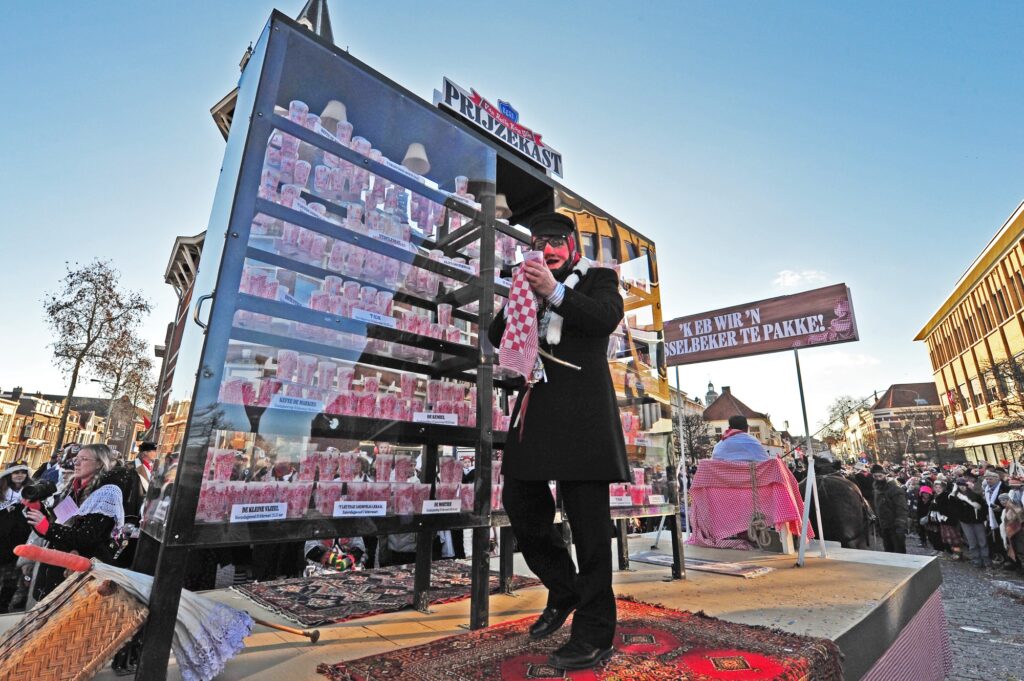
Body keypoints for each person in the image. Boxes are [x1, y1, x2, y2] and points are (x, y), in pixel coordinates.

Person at [488, 212, 628, 671]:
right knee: (520, 502)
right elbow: (496, 336)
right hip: (538, 411)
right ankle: (563, 586)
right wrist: (517, 298)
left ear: (572, 246)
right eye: (538, 241)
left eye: (555, 241)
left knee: (589, 529)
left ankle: (593, 633)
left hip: (584, 416)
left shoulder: (599, 279)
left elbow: (604, 319)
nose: (546, 249)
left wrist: (554, 290)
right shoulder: (526, 285)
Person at [23, 444, 130, 599]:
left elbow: (87, 537)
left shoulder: (107, 492)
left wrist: (48, 528)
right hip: (58, 570)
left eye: (84, 459)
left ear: (100, 463)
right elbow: (58, 525)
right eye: (76, 459)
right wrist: (36, 509)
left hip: (81, 577)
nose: (76, 463)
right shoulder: (74, 488)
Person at [950, 477, 991, 568]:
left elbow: (982, 507)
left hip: (977, 520)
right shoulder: (956, 497)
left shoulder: (974, 495)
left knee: (982, 540)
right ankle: (976, 559)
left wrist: (982, 517)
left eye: (963, 485)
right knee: (972, 541)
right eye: (960, 486)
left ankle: (986, 559)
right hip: (965, 521)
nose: (962, 487)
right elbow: (953, 507)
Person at [871, 464, 908, 553]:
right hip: (884, 525)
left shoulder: (895, 489)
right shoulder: (876, 489)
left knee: (899, 552)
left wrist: (900, 525)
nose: (878, 478)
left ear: (885, 475)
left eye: (880, 476)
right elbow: (877, 507)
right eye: (875, 476)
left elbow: (901, 508)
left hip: (895, 526)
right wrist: (877, 523)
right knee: (889, 551)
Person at [981, 469, 1009, 566]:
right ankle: (998, 555)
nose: (988, 481)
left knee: (1003, 537)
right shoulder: (987, 489)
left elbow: (1009, 502)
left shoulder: (1004, 488)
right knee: (994, 537)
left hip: (1002, 517)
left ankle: (1007, 558)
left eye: (990, 479)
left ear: (997, 479)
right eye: (987, 479)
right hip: (991, 518)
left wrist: (1000, 508)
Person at [998, 493, 1023, 571]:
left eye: (1005, 499)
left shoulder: (1016, 509)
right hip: (1010, 534)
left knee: (1021, 551)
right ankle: (1019, 568)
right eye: (1001, 500)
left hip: (1018, 533)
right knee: (1014, 551)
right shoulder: (1004, 510)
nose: (1003, 502)